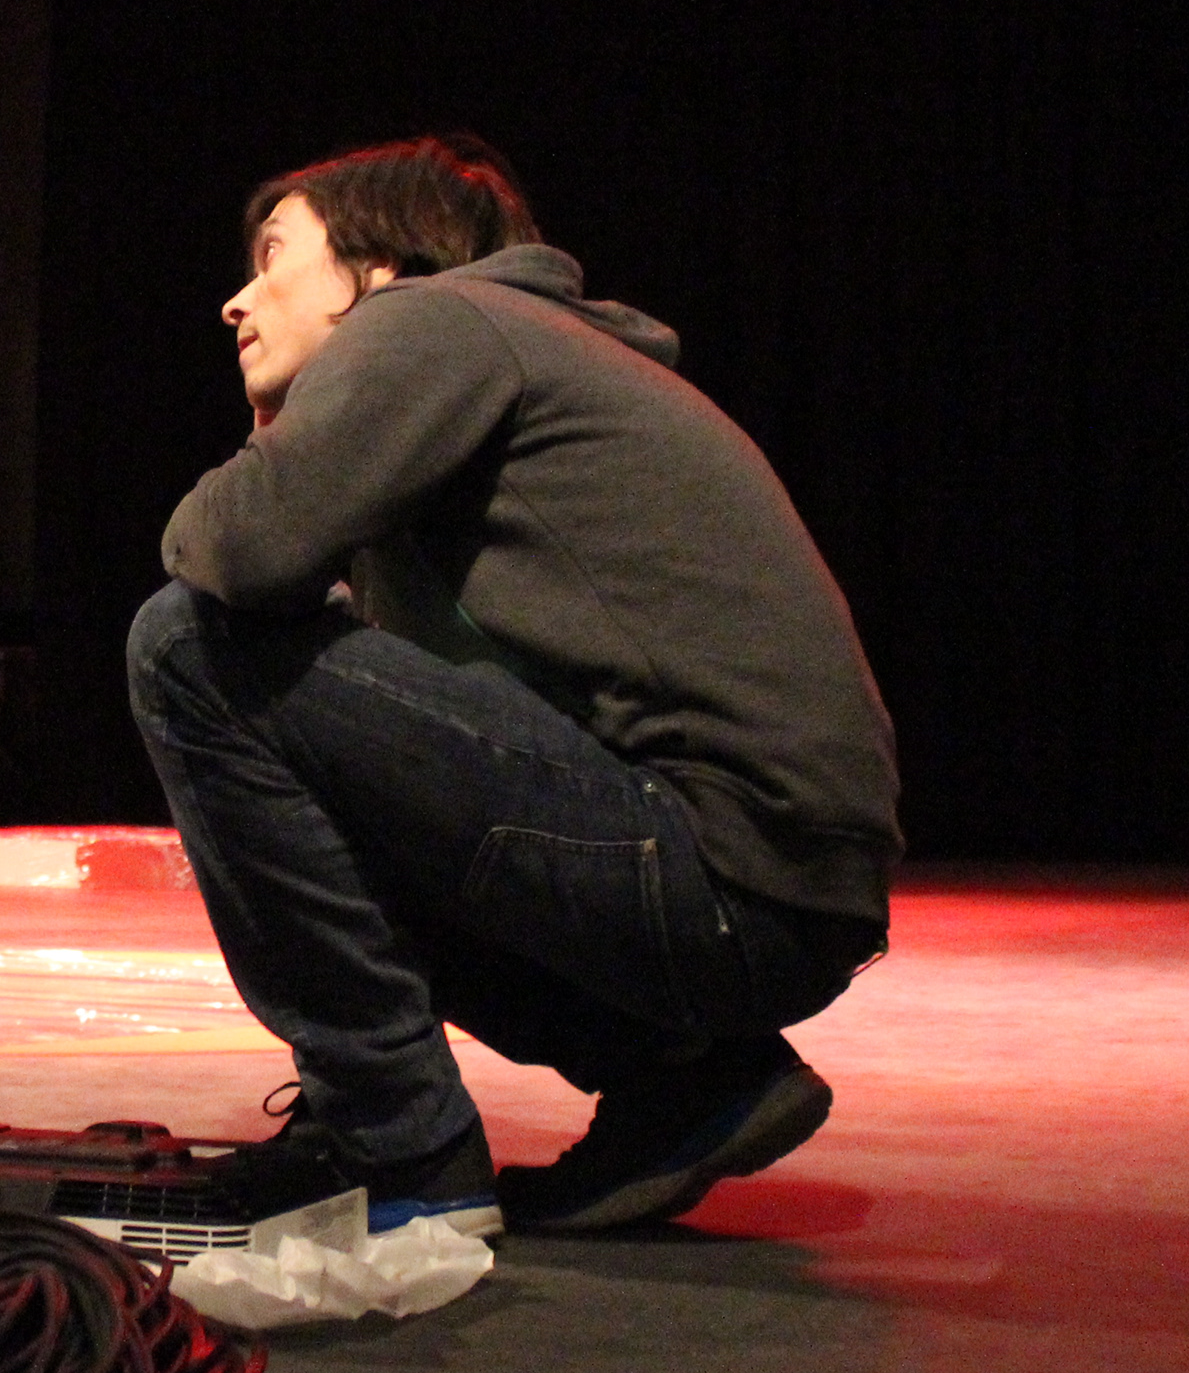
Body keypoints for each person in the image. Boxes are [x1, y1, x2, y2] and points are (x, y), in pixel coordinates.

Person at [128, 135, 901, 1236]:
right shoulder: (505, 358)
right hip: (774, 895)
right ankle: (689, 1081)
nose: (235, 300)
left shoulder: (432, 323)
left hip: (723, 871)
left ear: (378, 265)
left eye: (273, 254)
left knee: (188, 647)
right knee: (320, 760)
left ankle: (394, 1147)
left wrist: (273, 451)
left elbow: (234, 552)